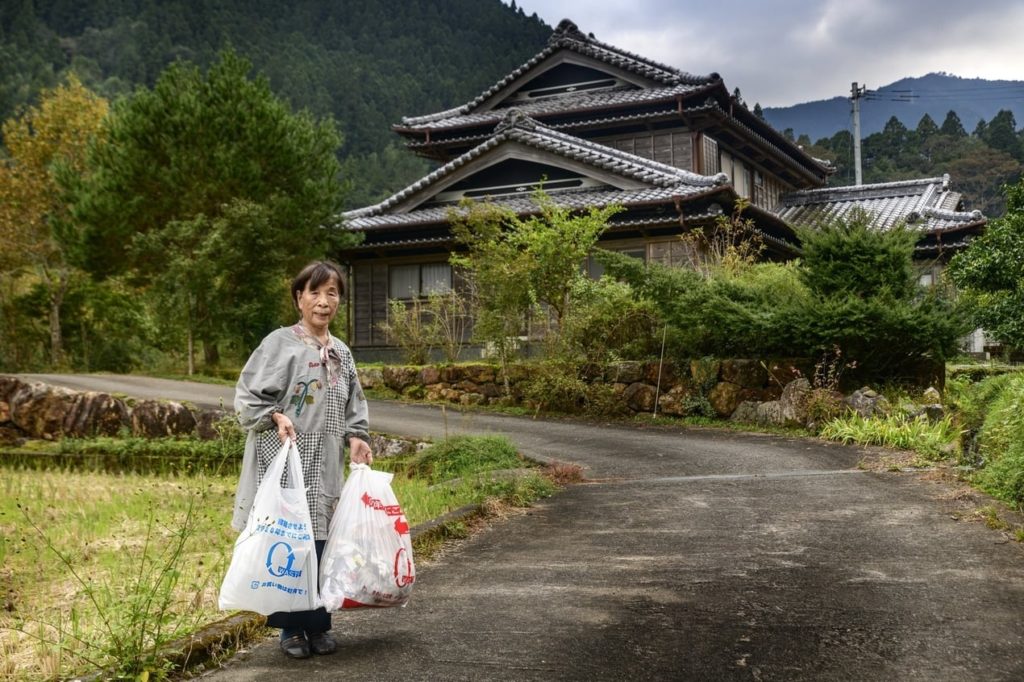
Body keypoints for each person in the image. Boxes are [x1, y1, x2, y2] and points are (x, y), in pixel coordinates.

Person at [232, 260, 373, 659]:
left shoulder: (341, 352)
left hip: (325, 461)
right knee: (287, 542)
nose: (323, 301)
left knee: (321, 542)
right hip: (285, 457)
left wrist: (357, 437)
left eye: (332, 293)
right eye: (314, 292)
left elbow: (353, 404)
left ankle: (318, 624)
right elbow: (246, 398)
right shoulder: (278, 344)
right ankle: (290, 629)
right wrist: (274, 415)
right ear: (299, 298)